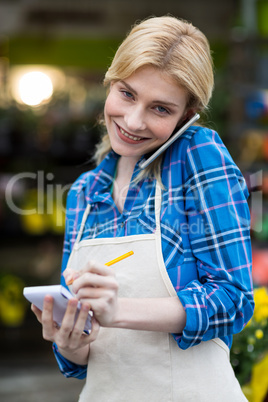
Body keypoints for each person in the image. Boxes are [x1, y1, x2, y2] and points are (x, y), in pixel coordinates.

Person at [32, 15, 254, 401]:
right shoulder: (85, 194)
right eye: (127, 94)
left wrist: (119, 311)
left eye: (161, 109)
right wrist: (68, 340)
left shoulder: (197, 157)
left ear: (187, 115)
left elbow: (233, 300)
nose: (133, 121)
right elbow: (82, 356)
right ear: (110, 82)